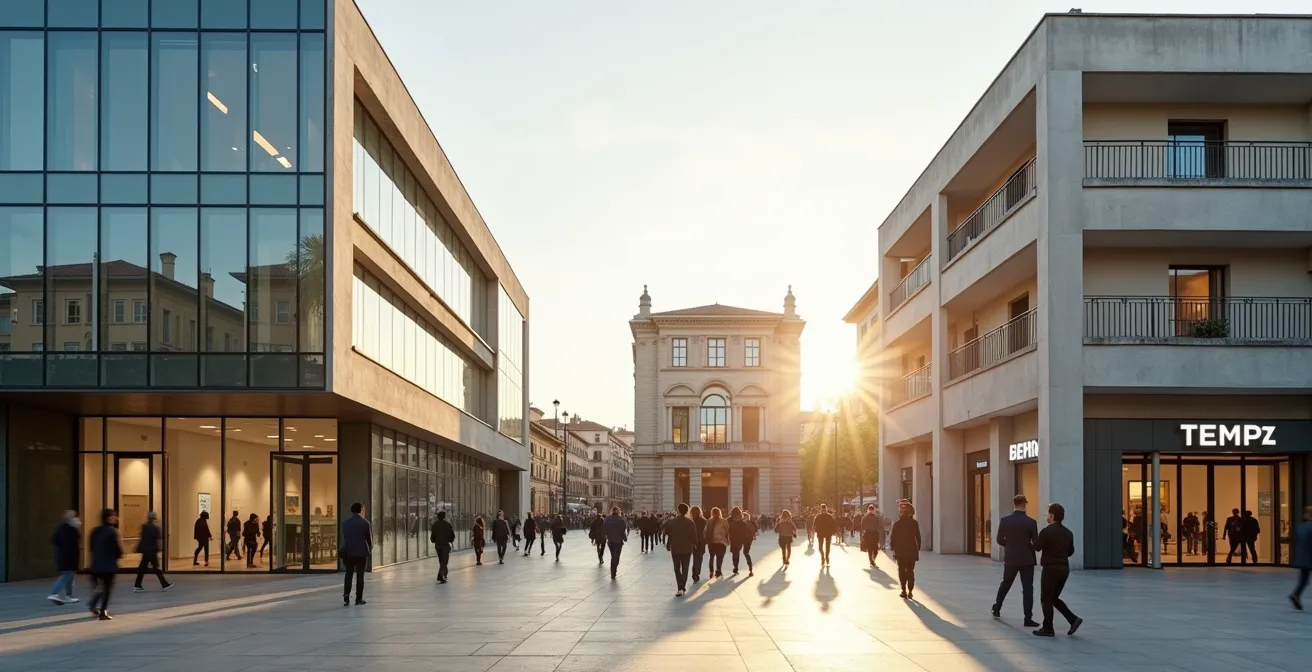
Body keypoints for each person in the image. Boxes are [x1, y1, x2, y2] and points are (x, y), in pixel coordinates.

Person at [1031, 502, 1083, 637]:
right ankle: (1073, 619)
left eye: (1047, 513)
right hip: (1064, 569)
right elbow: (1070, 552)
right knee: (1053, 598)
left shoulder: (1046, 531)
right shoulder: (1068, 533)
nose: (1046, 516)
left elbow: (1037, 547)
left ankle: (1048, 628)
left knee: (1046, 599)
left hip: (1050, 569)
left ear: (1052, 516)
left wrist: (1033, 539)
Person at [993, 494, 1039, 627]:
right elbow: (1036, 543)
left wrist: (1010, 544)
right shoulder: (1031, 522)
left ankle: (997, 607)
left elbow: (999, 540)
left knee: (1006, 583)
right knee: (1028, 588)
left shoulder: (1005, 520)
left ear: (1014, 504)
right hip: (1027, 559)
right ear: (1025, 505)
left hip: (1011, 558)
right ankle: (1028, 618)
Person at [87, 508, 123, 620]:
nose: (116, 518)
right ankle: (103, 612)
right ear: (108, 518)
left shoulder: (94, 531)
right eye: (113, 516)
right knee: (107, 588)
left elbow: (91, 547)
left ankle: (93, 604)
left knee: (100, 587)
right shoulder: (113, 532)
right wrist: (119, 556)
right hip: (109, 565)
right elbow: (118, 550)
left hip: (96, 564)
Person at [133, 511, 173, 592]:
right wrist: (160, 548)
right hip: (152, 550)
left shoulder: (144, 526)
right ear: (154, 518)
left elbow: (142, 537)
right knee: (156, 568)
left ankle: (138, 585)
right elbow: (158, 540)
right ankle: (164, 584)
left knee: (143, 568)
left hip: (146, 549)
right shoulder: (156, 528)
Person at [341, 502, 372, 606]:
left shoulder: (345, 523)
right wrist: (370, 547)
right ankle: (358, 598)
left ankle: (346, 596)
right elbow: (369, 539)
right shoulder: (365, 523)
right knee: (360, 575)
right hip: (361, 552)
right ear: (361, 510)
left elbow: (345, 537)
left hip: (349, 551)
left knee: (348, 574)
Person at [48, 510, 81, 605]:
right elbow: (69, 546)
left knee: (70, 577)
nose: (77, 520)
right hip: (68, 558)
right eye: (75, 517)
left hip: (64, 557)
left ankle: (68, 596)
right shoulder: (68, 531)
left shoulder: (64, 529)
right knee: (67, 576)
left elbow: (54, 540)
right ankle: (53, 593)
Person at [890, 501, 921, 599]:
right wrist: (917, 549)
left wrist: (893, 549)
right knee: (910, 570)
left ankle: (903, 590)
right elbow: (918, 538)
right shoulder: (914, 523)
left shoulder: (896, 524)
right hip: (911, 551)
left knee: (902, 570)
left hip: (900, 551)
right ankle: (910, 591)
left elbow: (892, 538)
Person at [666, 503, 698, 596]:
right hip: (687, 548)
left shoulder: (671, 522)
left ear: (678, 510)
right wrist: (695, 544)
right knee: (685, 567)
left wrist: (668, 545)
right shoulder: (690, 522)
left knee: (676, 568)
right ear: (687, 511)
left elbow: (669, 535)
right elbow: (694, 536)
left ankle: (680, 587)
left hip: (675, 547)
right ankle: (682, 586)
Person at [1290, 505, 1312, 610]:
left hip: (1302, 556)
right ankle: (1296, 594)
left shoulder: (1300, 526)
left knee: (1304, 579)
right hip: (1310, 555)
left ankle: (1296, 594)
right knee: (1304, 579)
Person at [430, 510, 456, 583]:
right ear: (444, 516)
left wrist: (435, 540)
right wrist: (450, 540)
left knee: (441, 560)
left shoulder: (435, 524)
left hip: (438, 545)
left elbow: (433, 536)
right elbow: (452, 536)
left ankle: (444, 574)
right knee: (444, 561)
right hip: (445, 545)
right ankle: (440, 575)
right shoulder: (447, 524)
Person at [603, 505, 628, 579]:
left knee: (613, 555)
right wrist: (624, 538)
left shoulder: (607, 518)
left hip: (610, 540)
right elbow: (622, 530)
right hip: (618, 541)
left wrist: (606, 535)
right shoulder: (621, 519)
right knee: (616, 556)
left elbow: (604, 528)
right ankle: (614, 570)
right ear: (619, 512)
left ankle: (612, 570)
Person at [728, 506, 754, 577]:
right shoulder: (743, 522)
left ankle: (736, 568)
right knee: (745, 553)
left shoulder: (730, 521)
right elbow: (749, 532)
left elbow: (727, 530)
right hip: (744, 539)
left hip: (736, 539)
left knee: (735, 554)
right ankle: (750, 569)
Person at [705, 507, 730, 579]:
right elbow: (727, 530)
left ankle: (711, 571)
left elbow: (705, 531)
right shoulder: (723, 521)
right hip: (721, 542)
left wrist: (707, 540)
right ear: (719, 513)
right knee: (719, 558)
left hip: (711, 542)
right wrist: (727, 540)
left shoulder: (709, 521)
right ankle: (718, 571)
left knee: (711, 557)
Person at [690, 506, 709, 581]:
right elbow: (706, 532)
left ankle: (694, 574)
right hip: (701, 542)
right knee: (699, 559)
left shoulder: (691, 521)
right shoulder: (704, 521)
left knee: (695, 558)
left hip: (693, 542)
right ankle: (696, 574)